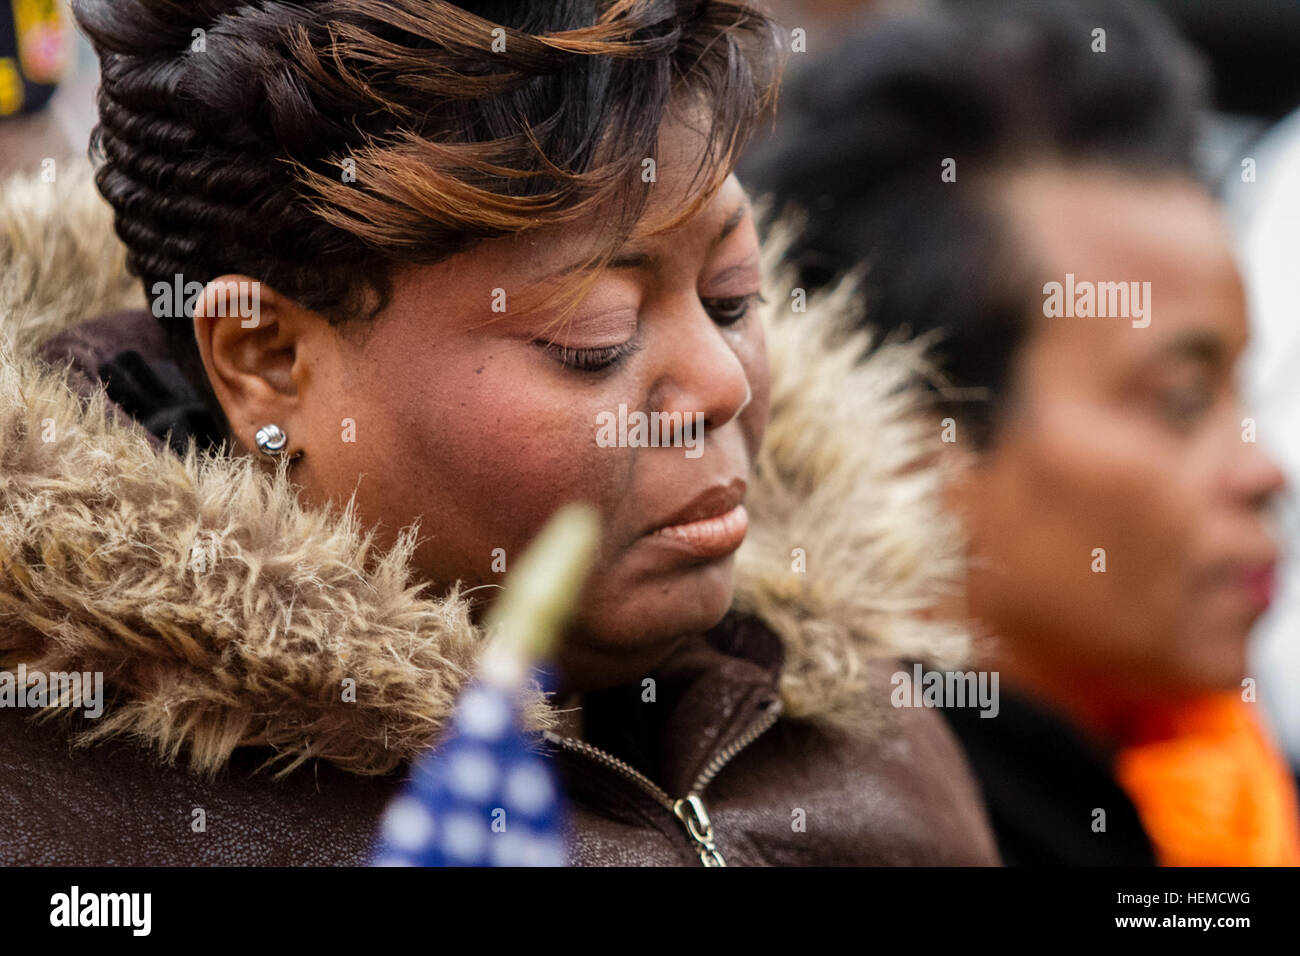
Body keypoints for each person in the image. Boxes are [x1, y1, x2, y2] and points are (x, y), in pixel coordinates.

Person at [0, 0, 997, 866]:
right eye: (593, 339)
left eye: (731, 297)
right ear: (266, 359)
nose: (719, 383)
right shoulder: (69, 819)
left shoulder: (848, 703)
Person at [742, 0, 1300, 865]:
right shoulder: (849, 834)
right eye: (1182, 400)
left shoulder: (1216, 790)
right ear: (903, 437)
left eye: (1243, 390)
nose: (1267, 472)